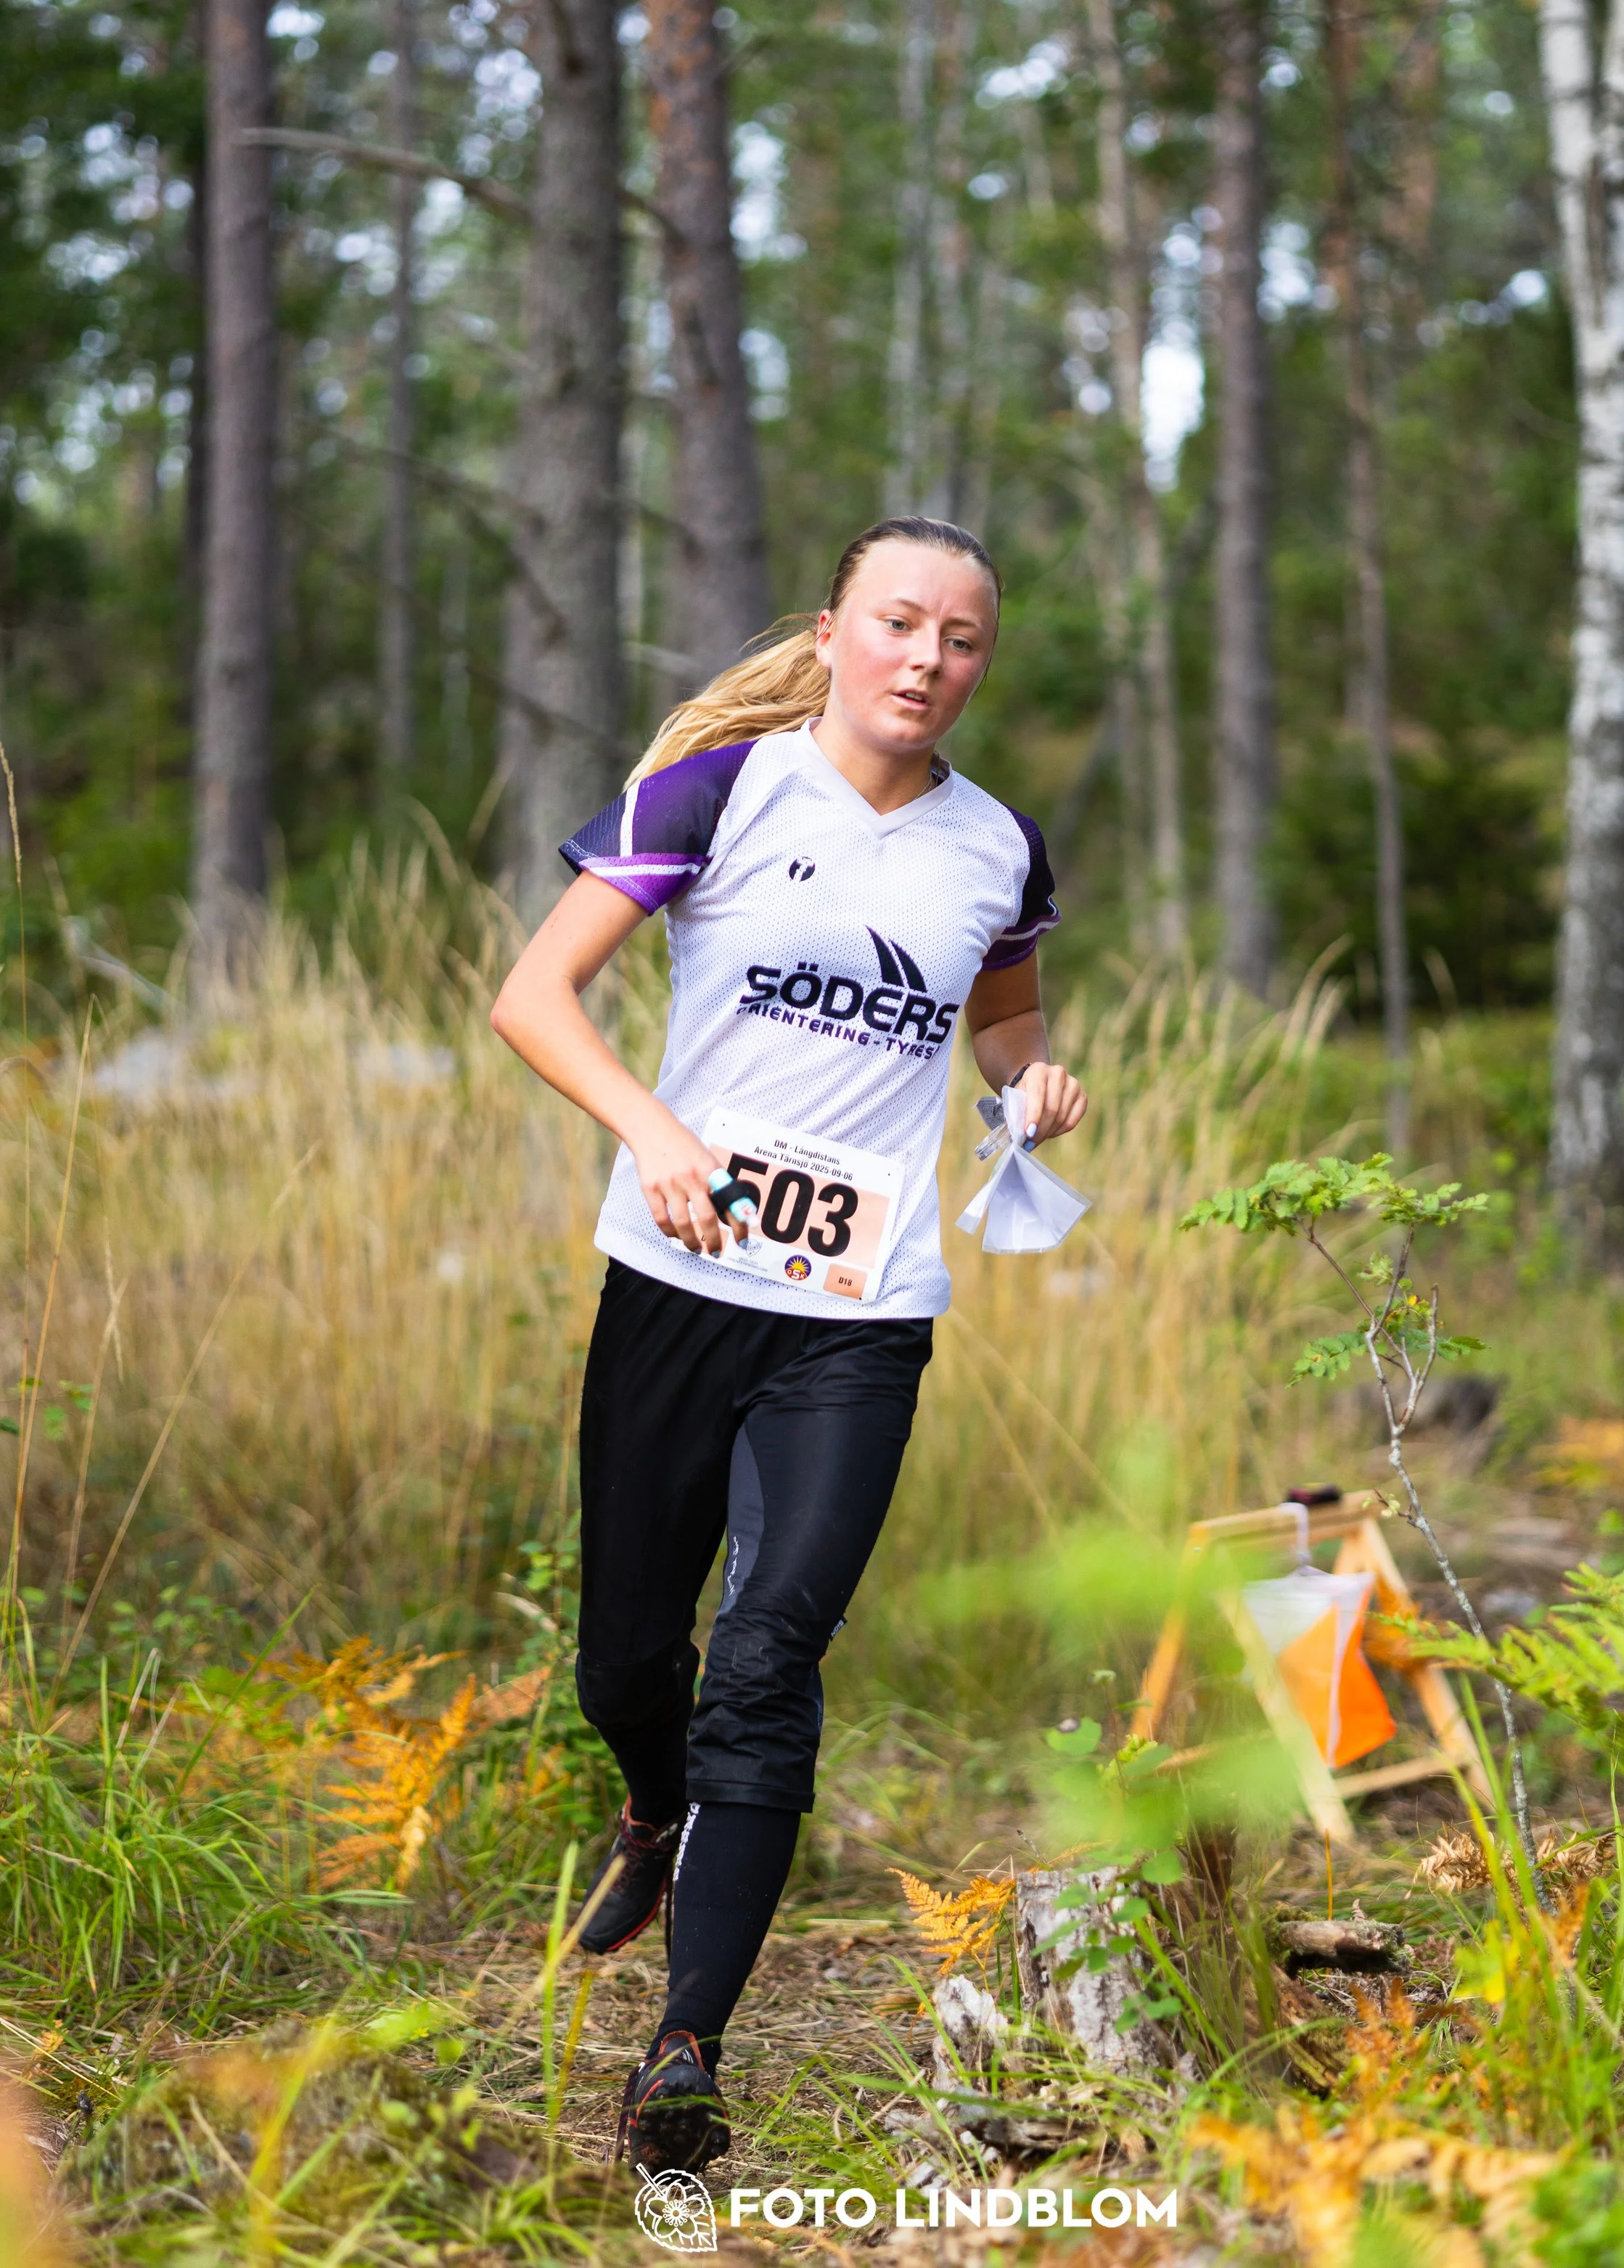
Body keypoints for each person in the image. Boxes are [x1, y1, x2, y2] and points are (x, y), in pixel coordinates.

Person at [490, 515, 1087, 2176]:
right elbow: (534, 997)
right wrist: (653, 1131)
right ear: (832, 631)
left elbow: (1006, 1014)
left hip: (859, 1311)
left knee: (765, 1657)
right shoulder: (719, 794)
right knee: (629, 1655)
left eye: (960, 640)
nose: (927, 660)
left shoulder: (995, 848)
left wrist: (1026, 1087)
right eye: (898, 624)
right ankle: (649, 1799)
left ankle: (687, 2044)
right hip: (676, 1280)